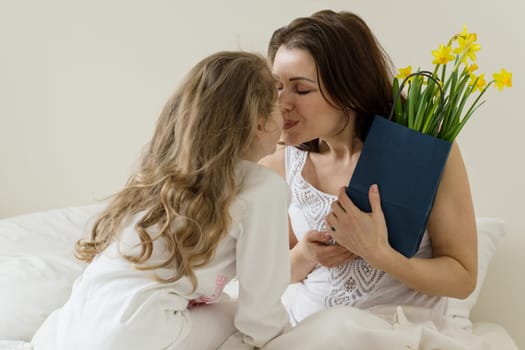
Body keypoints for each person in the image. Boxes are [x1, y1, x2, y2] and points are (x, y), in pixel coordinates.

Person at [31, 51, 291, 350]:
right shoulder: (264, 187)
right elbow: (262, 309)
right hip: (137, 334)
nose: (285, 116)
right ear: (260, 122)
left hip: (68, 330)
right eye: (278, 107)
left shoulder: (164, 176)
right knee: (233, 311)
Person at [260, 10, 479, 349]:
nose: (281, 103)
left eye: (301, 90)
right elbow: (271, 276)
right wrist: (306, 255)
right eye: (276, 87)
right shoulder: (281, 163)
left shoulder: (425, 154)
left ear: (349, 90)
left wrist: (379, 254)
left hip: (394, 333)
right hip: (307, 332)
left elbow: (462, 278)